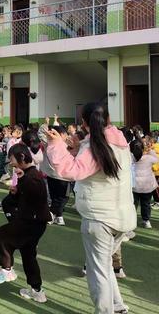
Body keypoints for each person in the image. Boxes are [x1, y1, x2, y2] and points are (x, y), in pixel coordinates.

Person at [47, 102, 135, 314]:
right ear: (108, 119)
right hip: (122, 218)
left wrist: (57, 145)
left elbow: (71, 171)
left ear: (84, 122)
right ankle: (117, 307)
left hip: (99, 219)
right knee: (104, 266)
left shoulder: (95, 147)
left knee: (98, 271)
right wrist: (78, 147)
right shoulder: (119, 141)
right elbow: (95, 164)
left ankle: (105, 311)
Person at [0, 143, 51, 304]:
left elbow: (35, 198)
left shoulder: (33, 177)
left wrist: (20, 188)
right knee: (28, 254)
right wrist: (17, 191)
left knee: (3, 233)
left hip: (31, 222)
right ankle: (37, 291)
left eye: (12, 159)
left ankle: (6, 269)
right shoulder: (29, 175)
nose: (11, 163)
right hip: (35, 222)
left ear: (22, 157)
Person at [41, 125, 70, 226]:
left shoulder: (48, 144)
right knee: (62, 197)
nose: (67, 136)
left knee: (56, 196)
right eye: (65, 134)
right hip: (62, 176)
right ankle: (52, 214)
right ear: (61, 135)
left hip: (52, 175)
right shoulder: (63, 145)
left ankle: (59, 216)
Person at [131, 135, 157, 229]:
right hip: (147, 186)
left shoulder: (130, 158)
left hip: (134, 186)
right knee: (146, 204)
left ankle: (131, 221)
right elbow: (156, 159)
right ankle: (146, 221)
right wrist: (150, 150)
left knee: (133, 204)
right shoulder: (148, 158)